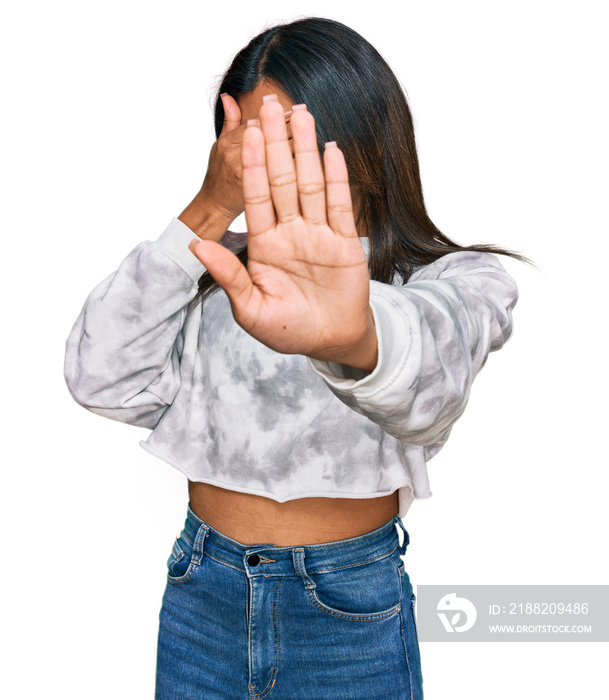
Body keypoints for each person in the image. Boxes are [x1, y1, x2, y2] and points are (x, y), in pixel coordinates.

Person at [63, 16, 525, 700]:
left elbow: (433, 382)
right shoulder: (217, 275)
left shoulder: (449, 281)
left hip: (345, 610)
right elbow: (98, 378)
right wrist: (206, 210)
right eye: (246, 146)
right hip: (202, 593)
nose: (270, 166)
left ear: (362, 133)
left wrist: (352, 337)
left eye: (293, 139)